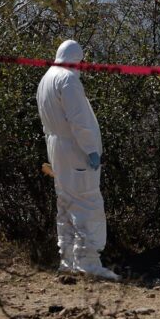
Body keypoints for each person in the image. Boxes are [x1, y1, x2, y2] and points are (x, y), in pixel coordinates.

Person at [36, 39, 119, 281]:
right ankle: (88, 262)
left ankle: (68, 259)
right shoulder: (67, 79)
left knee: (66, 202)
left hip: (56, 146)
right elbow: (78, 119)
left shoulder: (46, 79)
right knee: (87, 202)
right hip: (75, 149)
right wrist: (91, 149)